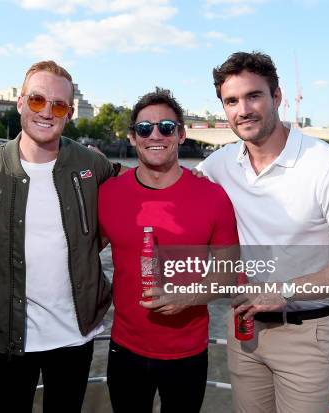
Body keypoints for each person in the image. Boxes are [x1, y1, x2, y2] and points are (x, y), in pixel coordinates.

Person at [196, 51, 329, 413]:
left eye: (254, 96)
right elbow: (169, 189)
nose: (243, 110)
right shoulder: (220, 163)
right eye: (231, 101)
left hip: (306, 334)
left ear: (277, 97)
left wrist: (285, 291)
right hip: (243, 331)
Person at [0, 60, 115, 413]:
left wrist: (201, 178)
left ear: (69, 113)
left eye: (59, 105)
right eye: (37, 100)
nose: (46, 112)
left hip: (75, 337)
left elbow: (133, 202)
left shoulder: (92, 166)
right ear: (20, 103)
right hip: (7, 340)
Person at [98, 89, 239, 412]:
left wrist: (185, 297)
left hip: (187, 354)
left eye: (166, 127)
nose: (156, 135)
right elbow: (81, 252)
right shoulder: (108, 194)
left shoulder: (213, 197)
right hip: (125, 349)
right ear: (133, 138)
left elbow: (228, 273)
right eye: (145, 129)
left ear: (181, 134)